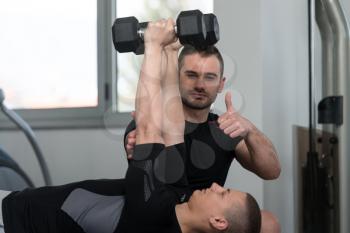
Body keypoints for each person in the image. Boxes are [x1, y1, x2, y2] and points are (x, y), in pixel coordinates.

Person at [0, 19, 261, 233]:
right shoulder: (178, 199)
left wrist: (153, 45)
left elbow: (149, 126)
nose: (217, 186)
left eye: (224, 193)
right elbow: (171, 127)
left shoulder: (154, 214)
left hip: (12, 220)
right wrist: (171, 52)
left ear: (218, 222)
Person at [124, 42, 281, 232]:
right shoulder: (156, 123)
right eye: (191, 75)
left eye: (210, 77)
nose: (200, 85)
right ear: (176, 77)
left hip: (208, 220)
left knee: (269, 223)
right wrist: (136, 141)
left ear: (221, 84)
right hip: (164, 219)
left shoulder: (224, 128)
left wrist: (249, 129)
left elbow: (272, 171)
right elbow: (141, 152)